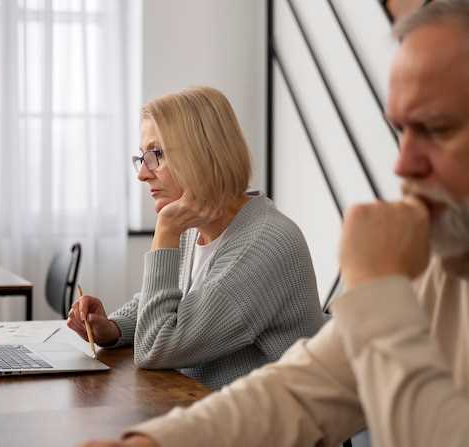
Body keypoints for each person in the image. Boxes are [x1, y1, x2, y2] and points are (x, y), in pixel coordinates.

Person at [78, 1, 469, 446]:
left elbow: (159, 344)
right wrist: (152, 442)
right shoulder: (443, 264)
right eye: (402, 132)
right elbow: (300, 391)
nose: (402, 164)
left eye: (436, 129)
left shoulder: (268, 240)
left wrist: (378, 290)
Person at [67, 86, 324, 390]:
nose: (143, 174)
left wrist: (165, 231)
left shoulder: (264, 243)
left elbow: (156, 347)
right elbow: (168, 306)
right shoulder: (196, 226)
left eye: (157, 155)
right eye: (142, 157)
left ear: (202, 154)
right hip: (208, 409)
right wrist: (111, 329)